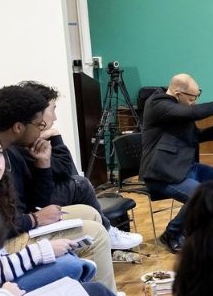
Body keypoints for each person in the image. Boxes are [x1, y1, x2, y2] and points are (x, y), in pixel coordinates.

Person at [0, 127, 116, 291]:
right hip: (2, 253)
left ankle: (92, 287)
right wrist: (35, 220)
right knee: (95, 233)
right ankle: (101, 293)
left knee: (89, 212)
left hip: (12, 236)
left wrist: (43, 164)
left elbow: (39, 201)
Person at [13, 81, 147, 250]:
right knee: (80, 184)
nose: (55, 117)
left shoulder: (32, 140)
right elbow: (63, 168)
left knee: (79, 182)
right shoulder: (25, 144)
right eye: (53, 109)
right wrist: (56, 136)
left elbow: (63, 169)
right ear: (38, 112)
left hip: (37, 199)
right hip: (34, 207)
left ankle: (105, 231)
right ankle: (106, 231)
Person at [140, 74, 213, 251]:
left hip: (185, 166)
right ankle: (172, 233)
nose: (193, 103)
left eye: (196, 98)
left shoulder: (179, 107)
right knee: (201, 196)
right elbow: (192, 112)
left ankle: (196, 229)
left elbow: (194, 136)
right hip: (163, 173)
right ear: (178, 94)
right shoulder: (157, 104)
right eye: (192, 98)